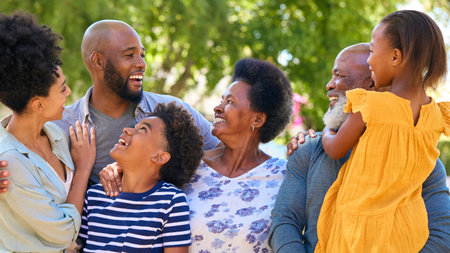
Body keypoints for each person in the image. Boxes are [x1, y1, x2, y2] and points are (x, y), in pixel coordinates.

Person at [269, 42, 450, 253]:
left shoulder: (423, 161)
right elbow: (284, 222)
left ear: (373, 86)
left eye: (340, 76)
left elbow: (442, 232)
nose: (329, 85)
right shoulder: (308, 149)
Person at [315, 10, 448, 252]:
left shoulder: (371, 105)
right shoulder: (437, 116)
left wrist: (326, 130)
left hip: (359, 232)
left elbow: (334, 149)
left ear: (396, 57)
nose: (369, 61)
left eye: (373, 51)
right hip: (408, 232)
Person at [0, 12, 95, 252]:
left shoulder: (56, 135)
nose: (70, 91)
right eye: (62, 89)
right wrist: (83, 169)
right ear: (38, 104)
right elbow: (63, 233)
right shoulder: (10, 163)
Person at [79, 102, 203, 252]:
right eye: (134, 126)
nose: (127, 130)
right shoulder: (94, 196)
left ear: (159, 157)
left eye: (142, 130)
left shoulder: (171, 201)